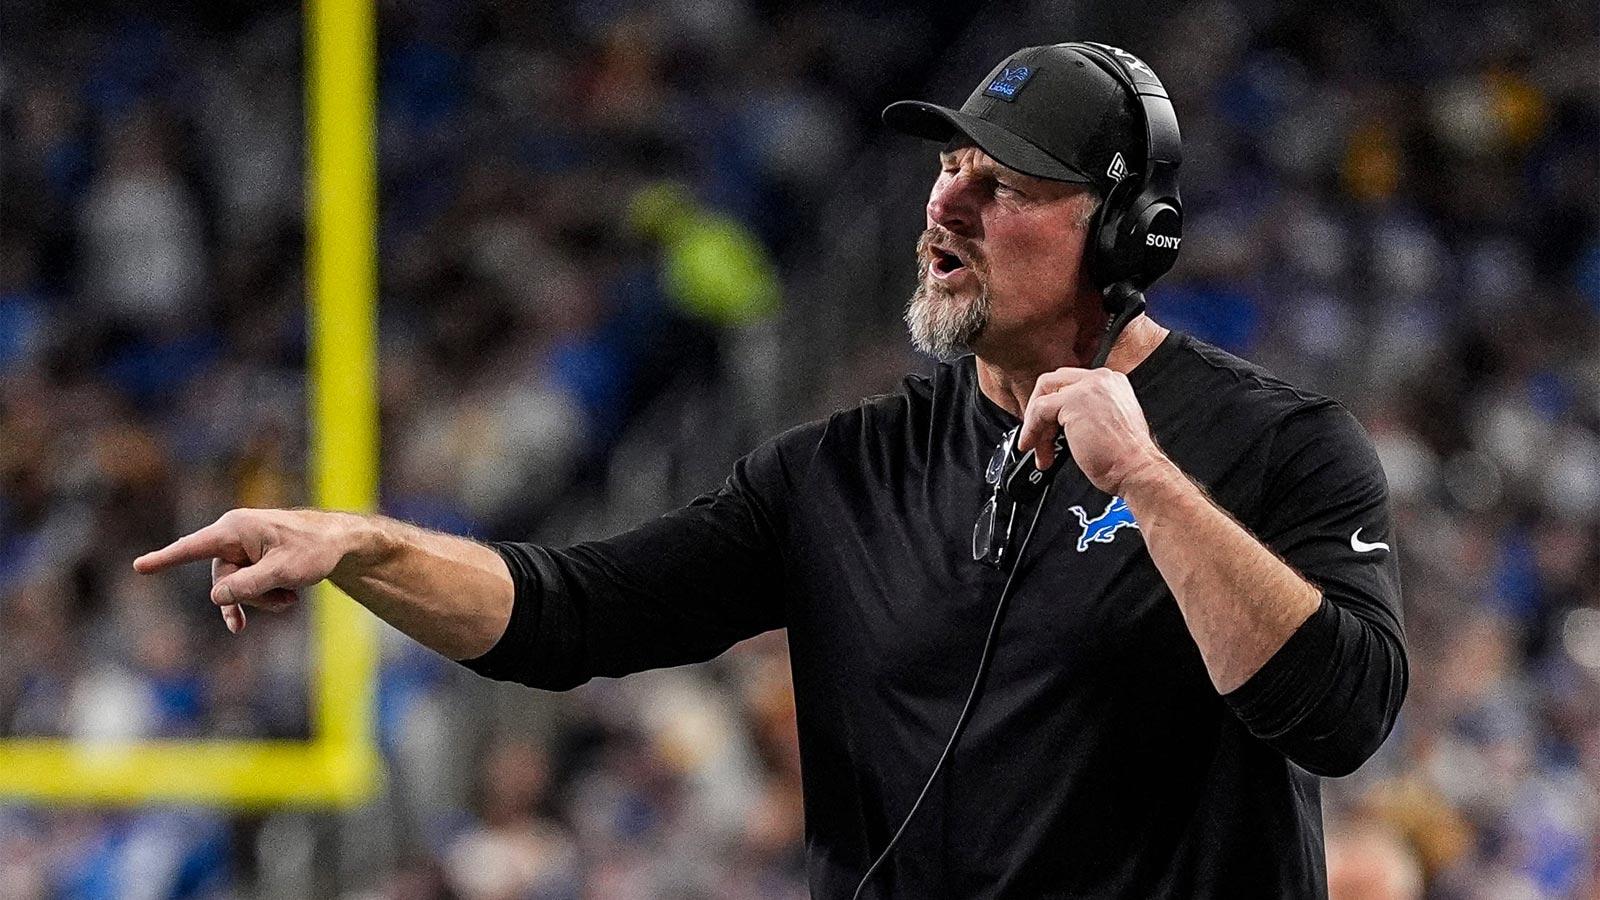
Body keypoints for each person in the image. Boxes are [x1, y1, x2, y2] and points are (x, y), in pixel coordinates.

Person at [135, 43, 1408, 898]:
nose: (942, 211)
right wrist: (367, 546)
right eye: (945, 171)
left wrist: (1148, 483)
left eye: (1000, 185)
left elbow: (1343, 715)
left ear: (1127, 235)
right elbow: (568, 613)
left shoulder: (1276, 445)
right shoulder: (841, 472)